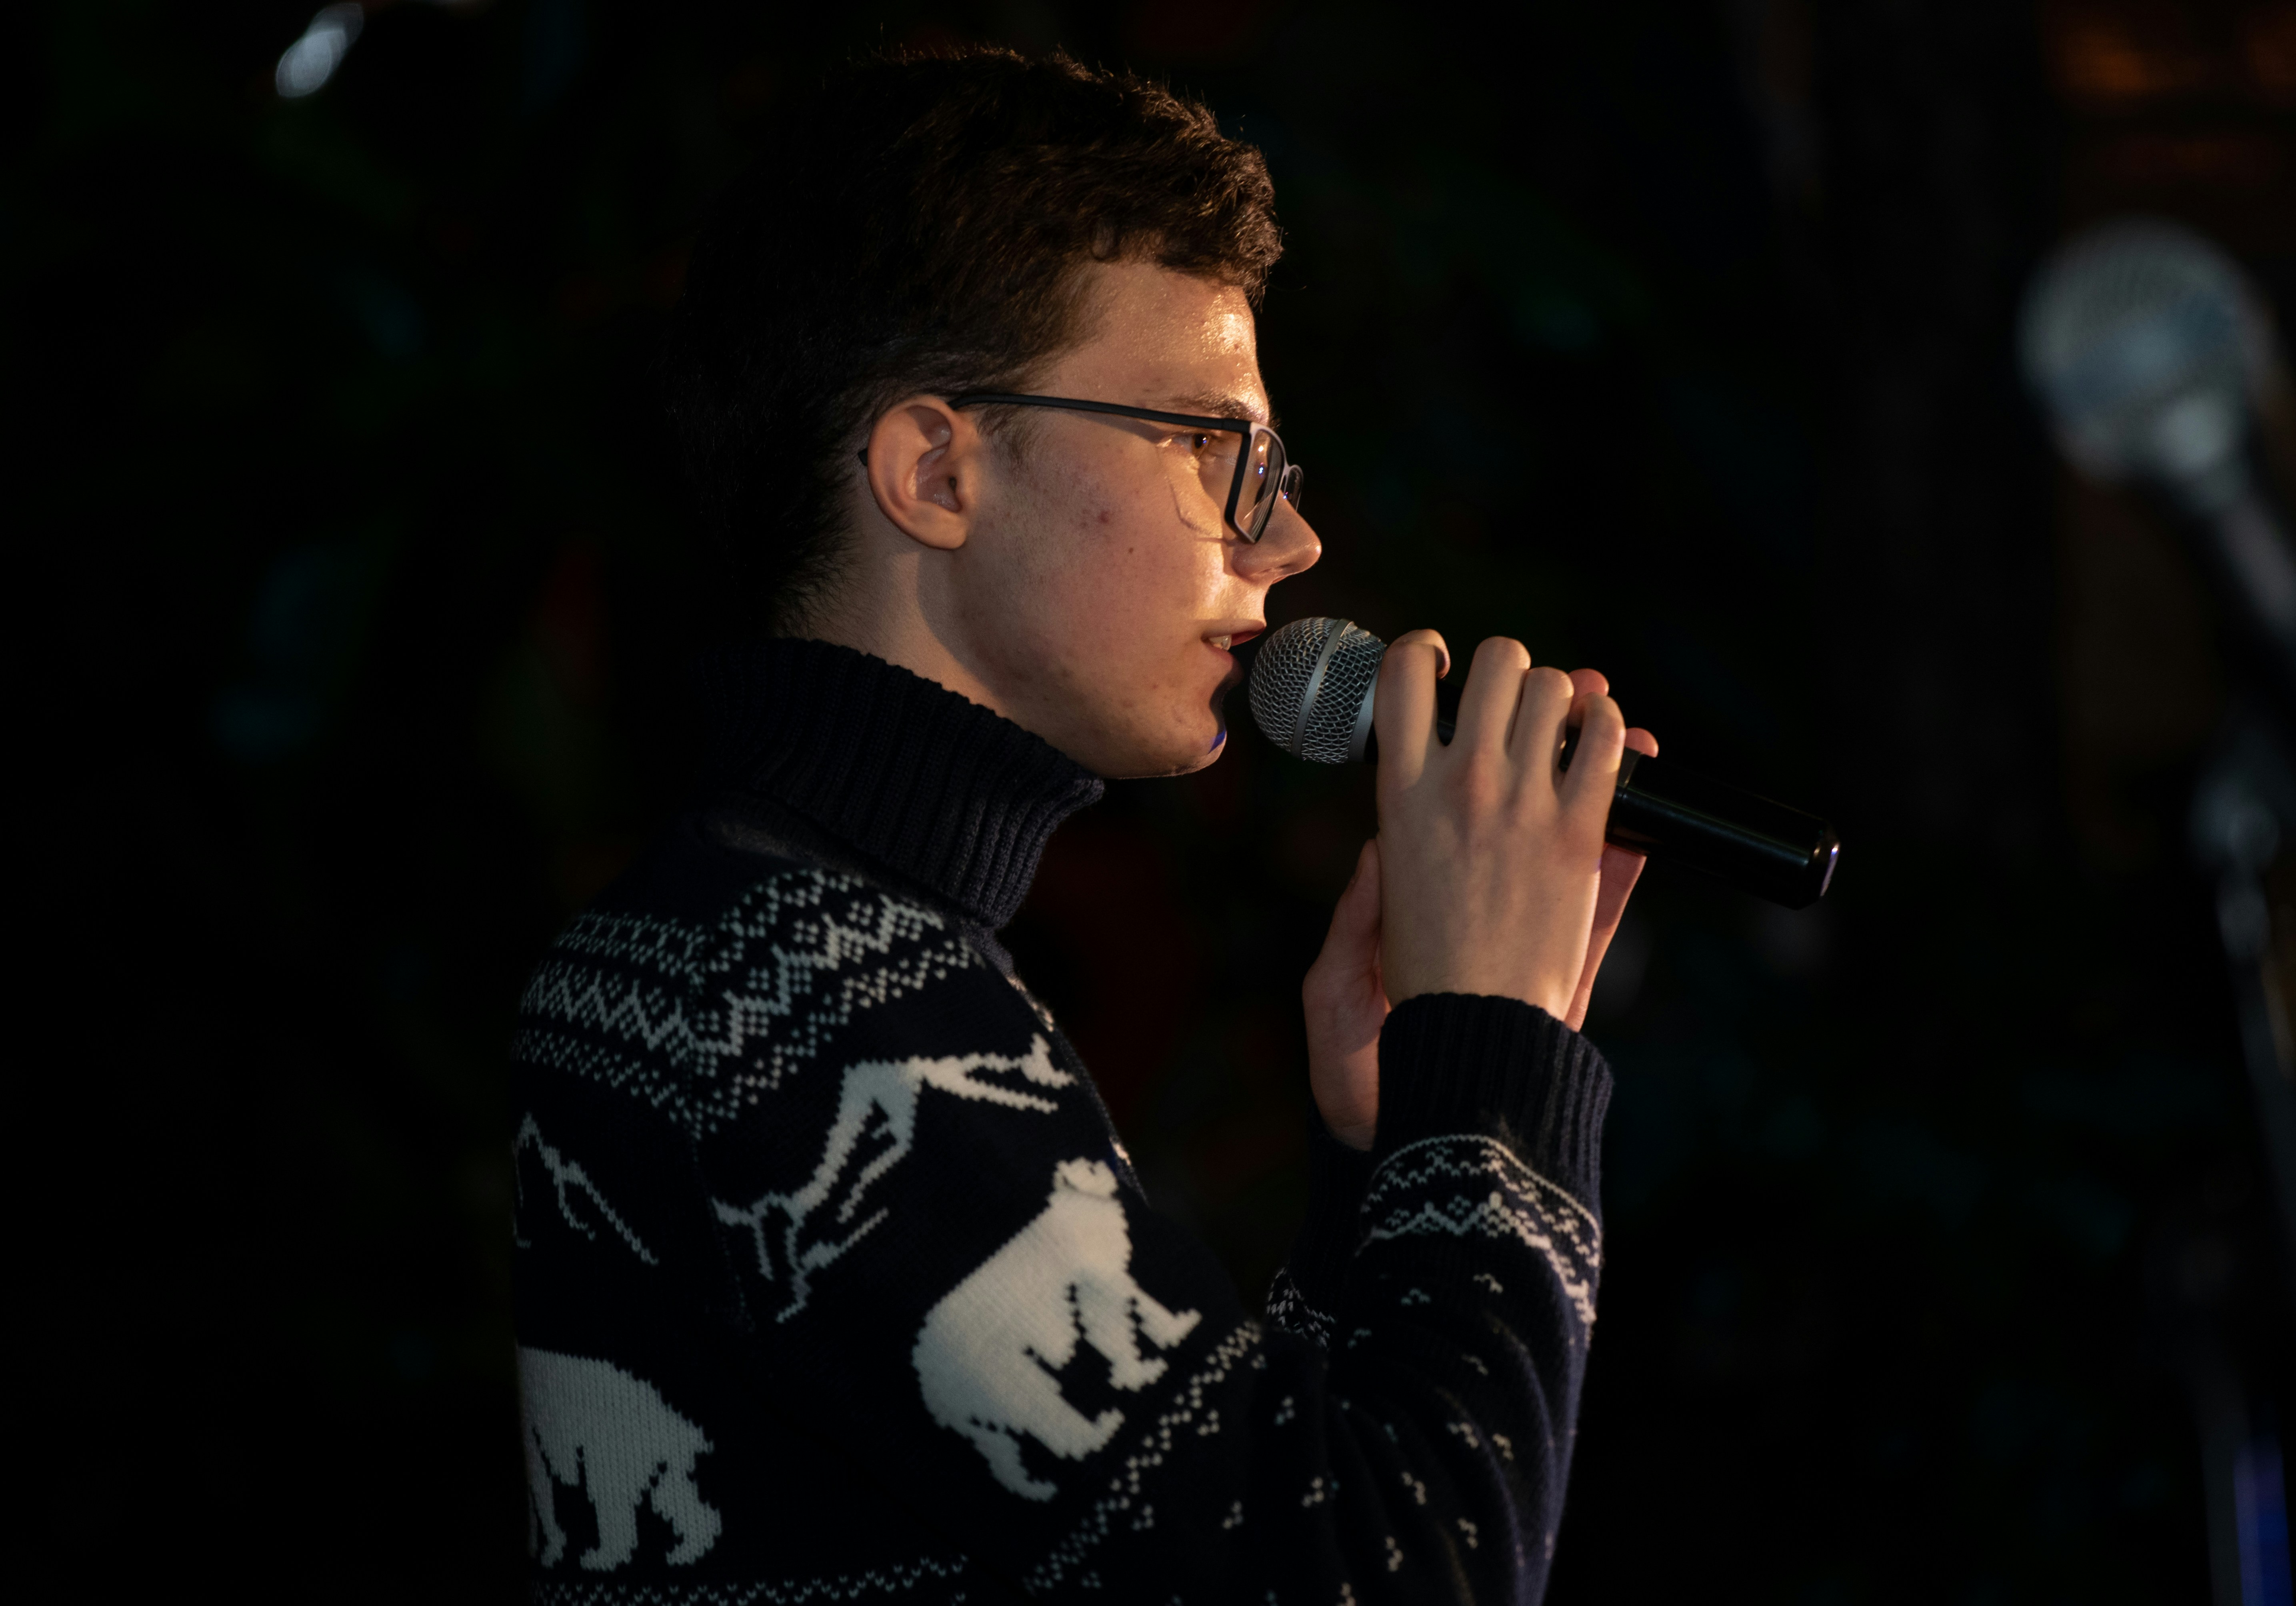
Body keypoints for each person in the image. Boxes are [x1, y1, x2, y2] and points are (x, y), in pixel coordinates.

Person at [509, 46, 1656, 1603]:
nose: (1289, 538)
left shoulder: (744, 951)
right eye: (1209, 446)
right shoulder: (810, 1006)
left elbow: (1201, 1539)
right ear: (935, 469)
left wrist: (1393, 1158)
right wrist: (1495, 1064)